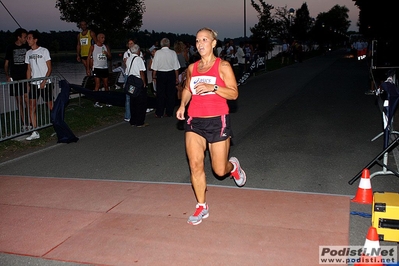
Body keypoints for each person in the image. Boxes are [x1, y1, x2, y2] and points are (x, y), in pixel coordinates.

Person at [176, 27, 247, 226]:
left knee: (219, 169)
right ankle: (201, 206)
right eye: (197, 40)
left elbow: (233, 94)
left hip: (217, 120)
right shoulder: (192, 68)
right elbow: (187, 89)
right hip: (194, 120)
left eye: (204, 40)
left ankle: (233, 167)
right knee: (195, 164)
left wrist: (213, 87)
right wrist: (182, 105)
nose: (200, 44)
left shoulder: (223, 66)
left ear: (214, 43)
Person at [25, 30, 53, 141]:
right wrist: (28, 82)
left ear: (35, 40)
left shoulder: (44, 51)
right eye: (27, 38)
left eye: (29, 38)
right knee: (32, 106)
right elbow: (28, 69)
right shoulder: (28, 53)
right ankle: (35, 131)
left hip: (45, 83)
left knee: (50, 106)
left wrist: (44, 81)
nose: (28, 40)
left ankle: (58, 125)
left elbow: (50, 68)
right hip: (33, 83)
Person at [4, 28, 30, 131]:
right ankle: (23, 122)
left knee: (27, 100)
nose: (26, 39)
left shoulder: (27, 47)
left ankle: (30, 120)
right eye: (24, 37)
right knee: (19, 101)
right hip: (15, 78)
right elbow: (6, 64)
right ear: (18, 37)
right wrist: (7, 75)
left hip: (26, 77)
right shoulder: (10, 48)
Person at [151, 38, 180, 118]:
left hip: (161, 74)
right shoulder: (173, 53)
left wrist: (154, 76)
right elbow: (176, 67)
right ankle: (169, 112)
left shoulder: (158, 53)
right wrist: (177, 77)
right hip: (171, 74)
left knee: (160, 94)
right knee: (170, 94)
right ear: (169, 44)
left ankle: (159, 112)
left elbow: (155, 67)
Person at [125, 44, 148, 127]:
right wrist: (144, 83)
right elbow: (141, 72)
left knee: (132, 100)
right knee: (141, 102)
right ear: (138, 51)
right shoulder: (139, 59)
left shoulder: (128, 59)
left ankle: (133, 120)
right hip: (138, 82)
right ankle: (140, 121)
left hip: (131, 82)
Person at [86, 32, 112, 108]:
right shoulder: (93, 47)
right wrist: (88, 69)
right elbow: (88, 58)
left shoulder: (106, 46)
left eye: (104, 38)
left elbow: (110, 57)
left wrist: (107, 54)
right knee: (97, 85)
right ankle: (96, 101)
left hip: (104, 68)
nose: (103, 39)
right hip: (97, 68)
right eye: (102, 37)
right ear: (98, 38)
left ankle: (107, 101)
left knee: (106, 85)